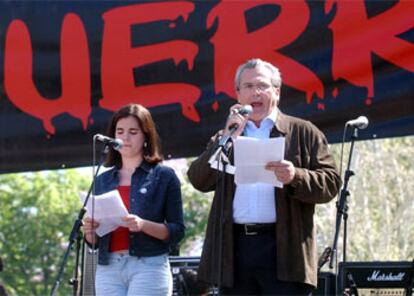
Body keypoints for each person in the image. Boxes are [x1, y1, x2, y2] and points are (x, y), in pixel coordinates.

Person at [187, 58, 341, 295]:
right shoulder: (227, 136)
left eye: (262, 86)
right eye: (247, 87)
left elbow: (331, 183)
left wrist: (295, 176)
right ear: (238, 95)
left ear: (276, 92)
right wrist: (227, 139)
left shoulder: (302, 131)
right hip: (235, 250)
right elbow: (198, 179)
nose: (255, 92)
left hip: (284, 251)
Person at [83, 103, 185, 296]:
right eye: (119, 131)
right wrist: (90, 232)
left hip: (149, 266)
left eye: (133, 132)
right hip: (108, 268)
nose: (125, 137)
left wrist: (142, 224)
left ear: (146, 136)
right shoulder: (102, 180)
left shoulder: (164, 176)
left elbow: (177, 232)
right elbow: (94, 242)